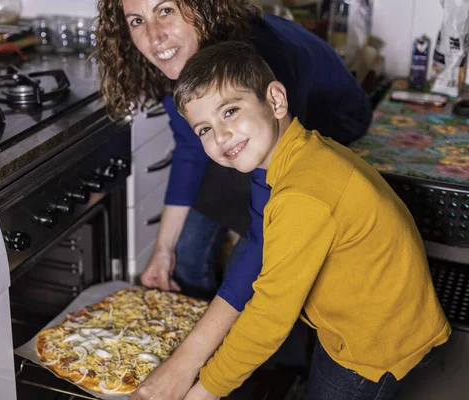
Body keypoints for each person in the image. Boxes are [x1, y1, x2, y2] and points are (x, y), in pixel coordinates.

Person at [94, 0, 373, 398]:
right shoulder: (184, 65)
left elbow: (263, 239)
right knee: (188, 249)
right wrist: (163, 251)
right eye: (137, 20)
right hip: (250, 127)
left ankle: (281, 371)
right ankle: (220, 348)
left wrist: (188, 368)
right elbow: (190, 150)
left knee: (273, 260)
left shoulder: (263, 67)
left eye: (166, 10)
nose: (153, 37)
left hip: (329, 120)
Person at [167, 41, 450, 400]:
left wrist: (203, 392)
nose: (220, 136)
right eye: (203, 129)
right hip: (364, 324)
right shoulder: (307, 153)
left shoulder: (303, 195)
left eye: (230, 111)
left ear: (275, 101)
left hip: (371, 351)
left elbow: (269, 320)